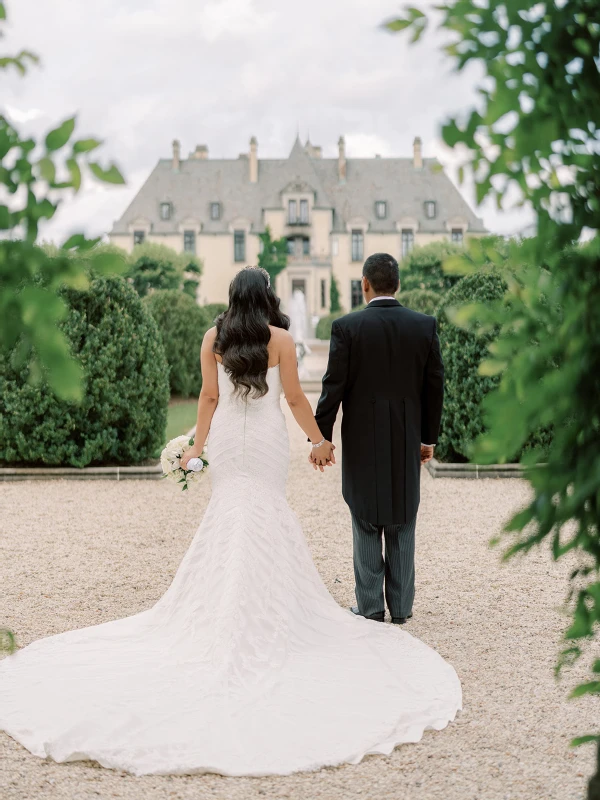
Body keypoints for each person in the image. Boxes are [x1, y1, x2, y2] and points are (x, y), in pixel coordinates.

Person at [0, 266, 460, 777]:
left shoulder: (212, 337)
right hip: (264, 446)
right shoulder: (281, 339)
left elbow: (209, 398)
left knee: (231, 517)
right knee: (263, 515)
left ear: (230, 296)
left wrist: (196, 450)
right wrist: (318, 441)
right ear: (265, 297)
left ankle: (223, 612)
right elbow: (293, 398)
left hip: (228, 445)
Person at [312, 253, 444, 625]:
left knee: (365, 517)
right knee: (402, 517)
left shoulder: (346, 328)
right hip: (406, 439)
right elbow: (435, 387)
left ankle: (370, 606)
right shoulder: (424, 326)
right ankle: (401, 608)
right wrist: (428, 437)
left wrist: (320, 439)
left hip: (362, 440)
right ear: (397, 284)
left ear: (364, 284)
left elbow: (332, 389)